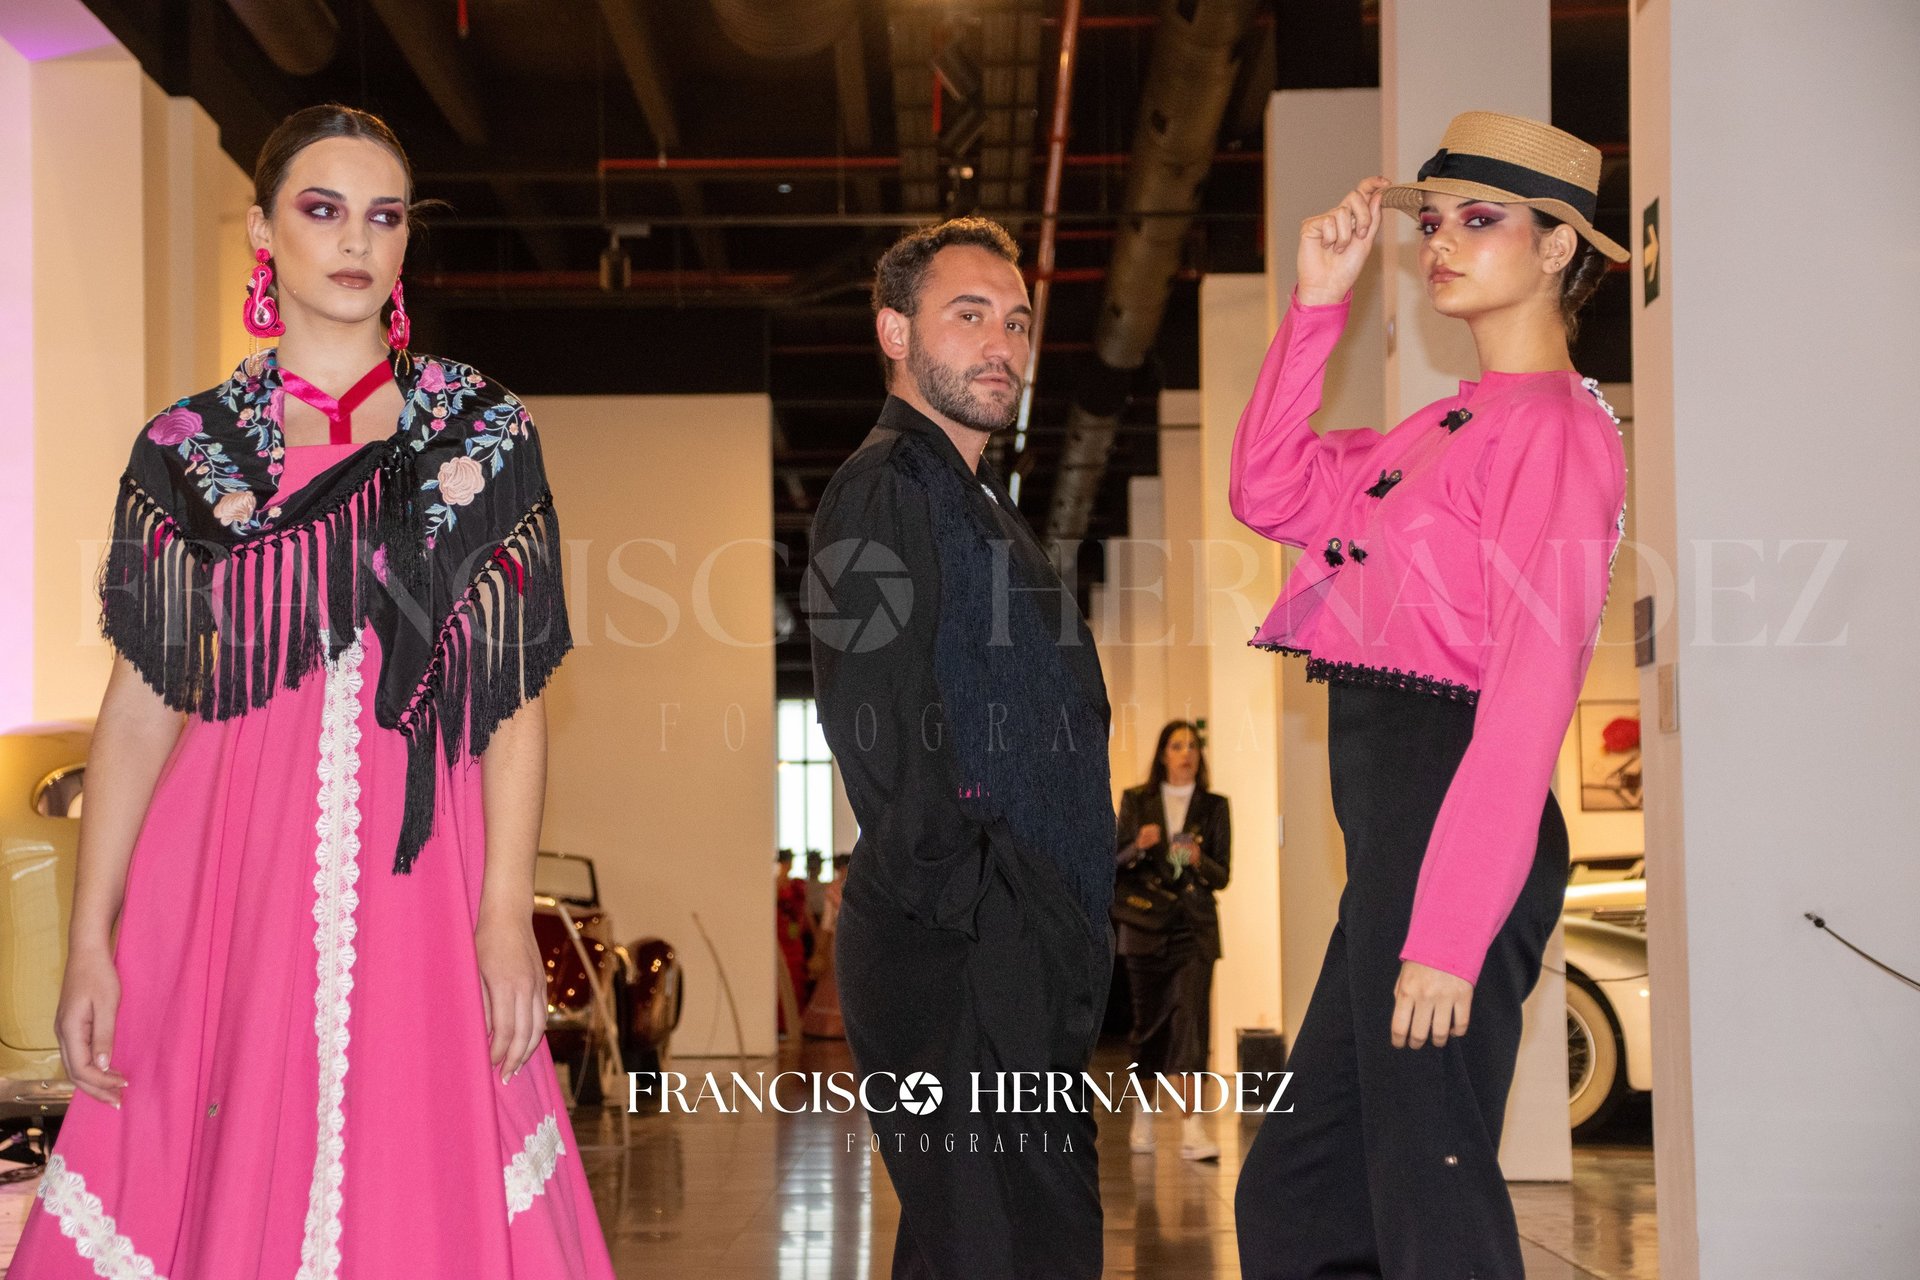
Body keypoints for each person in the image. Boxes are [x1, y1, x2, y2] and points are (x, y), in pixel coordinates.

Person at [12, 105, 616, 1279]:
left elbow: (513, 695)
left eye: (383, 217)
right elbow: (142, 703)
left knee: (422, 1158)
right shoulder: (191, 450)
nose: (355, 241)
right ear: (263, 232)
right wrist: (92, 934)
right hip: (222, 872)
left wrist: (503, 908)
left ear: (405, 246)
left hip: (418, 880)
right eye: (322, 209)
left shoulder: (478, 437)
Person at [1228, 111, 1630, 1280]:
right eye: (1434, 220)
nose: (1440, 242)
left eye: (1480, 218)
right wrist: (1316, 304)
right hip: (1397, 833)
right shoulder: (1445, 422)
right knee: (1304, 1188)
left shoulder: (1555, 431)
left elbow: (1529, 694)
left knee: (1429, 1185)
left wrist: (1449, 934)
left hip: (1453, 822)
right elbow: (1269, 489)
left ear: (1561, 247)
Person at [804, 217, 1115, 1279]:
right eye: (968, 314)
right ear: (896, 331)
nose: (1001, 344)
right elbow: (873, 717)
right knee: (1020, 1247)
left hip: (1006, 946)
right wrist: (986, 905)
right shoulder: (887, 484)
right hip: (964, 949)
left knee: (983, 1248)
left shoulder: (968, 495)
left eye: (1017, 322)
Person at [1112, 720, 1231, 1162]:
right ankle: (1143, 1119)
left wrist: (1199, 860)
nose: (1186, 753)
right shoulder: (1137, 800)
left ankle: (1192, 1127)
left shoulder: (1214, 806)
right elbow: (1115, 863)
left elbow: (1223, 875)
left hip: (1194, 929)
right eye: (1177, 745)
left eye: (1193, 745)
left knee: (1191, 1025)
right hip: (1145, 928)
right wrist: (1138, 846)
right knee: (1149, 1027)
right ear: (1163, 753)